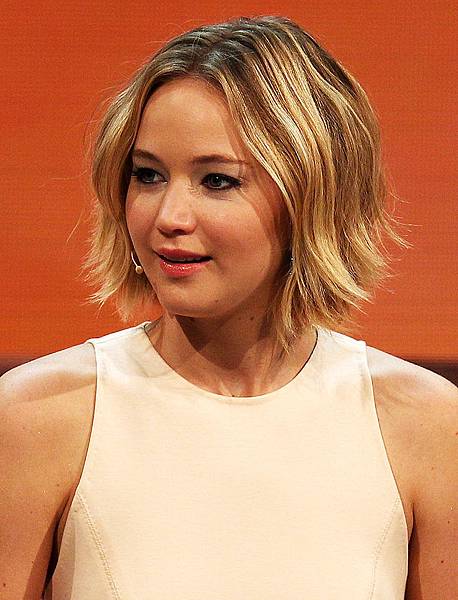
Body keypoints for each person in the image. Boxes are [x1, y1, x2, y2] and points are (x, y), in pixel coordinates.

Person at [1, 15, 456, 600]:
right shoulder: (37, 417)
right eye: (148, 175)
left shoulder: (428, 427)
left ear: (313, 194)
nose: (168, 216)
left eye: (217, 181)